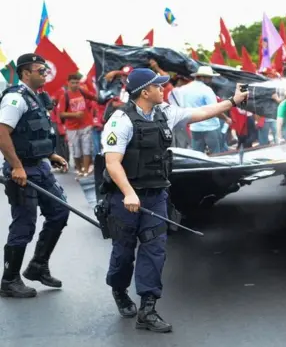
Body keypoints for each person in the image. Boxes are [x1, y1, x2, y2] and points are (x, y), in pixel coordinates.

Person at [99, 68, 248, 332]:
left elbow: (201, 113)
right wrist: (129, 193)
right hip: (125, 199)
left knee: (154, 251)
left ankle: (148, 308)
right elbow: (112, 163)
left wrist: (232, 102)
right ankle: (120, 290)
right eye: (158, 86)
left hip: (156, 196)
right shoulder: (120, 120)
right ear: (145, 91)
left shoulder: (164, 113)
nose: (163, 89)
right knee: (123, 253)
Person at [0, 53, 70, 298]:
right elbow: (2, 133)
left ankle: (38, 266)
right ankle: (9, 280)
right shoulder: (14, 99)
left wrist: (51, 154)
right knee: (24, 223)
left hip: (40, 166)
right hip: (22, 169)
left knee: (60, 211)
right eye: (41, 70)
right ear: (25, 73)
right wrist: (16, 166)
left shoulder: (36, 98)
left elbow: (33, 134)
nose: (45, 73)